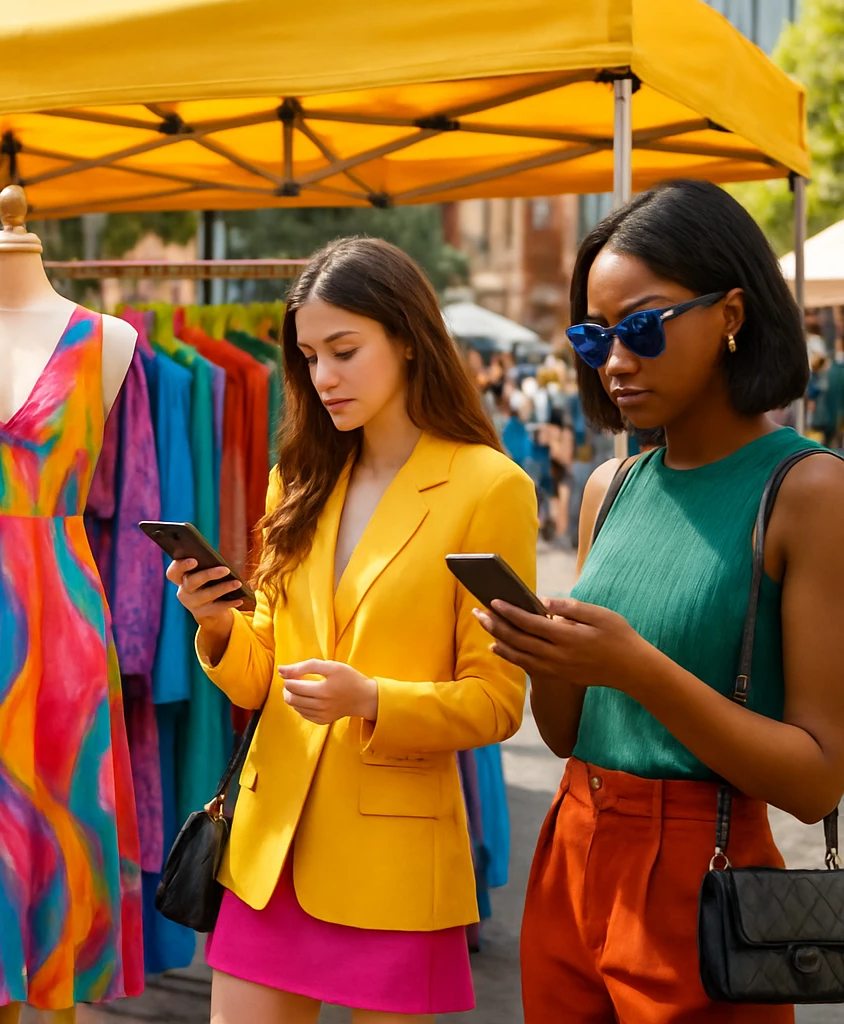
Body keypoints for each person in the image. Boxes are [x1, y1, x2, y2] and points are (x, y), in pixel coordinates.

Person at [478, 179, 844, 1023]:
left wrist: (636, 667)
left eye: (641, 326)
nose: (614, 361)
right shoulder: (610, 486)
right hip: (570, 851)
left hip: (703, 877)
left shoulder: (807, 491)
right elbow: (568, 732)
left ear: (731, 315)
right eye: (594, 334)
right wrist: (544, 652)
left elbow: (819, 781)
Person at [167, 237, 538, 1024]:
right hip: (270, 853)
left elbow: (498, 701)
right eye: (308, 357)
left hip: (394, 866)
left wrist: (373, 699)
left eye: (343, 350)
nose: (322, 377)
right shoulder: (296, 479)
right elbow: (264, 679)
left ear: (407, 337)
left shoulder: (489, 488)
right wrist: (218, 623)